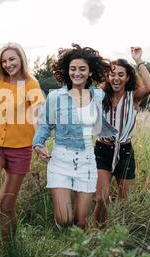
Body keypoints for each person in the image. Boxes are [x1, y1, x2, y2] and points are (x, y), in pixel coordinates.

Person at [33, 44, 117, 230]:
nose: (77, 73)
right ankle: (62, 223)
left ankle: (80, 253)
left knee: (80, 222)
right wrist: (38, 145)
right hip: (60, 161)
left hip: (87, 161)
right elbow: (45, 125)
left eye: (82, 69)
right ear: (67, 71)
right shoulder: (56, 97)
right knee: (65, 219)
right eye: (73, 69)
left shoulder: (98, 95)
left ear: (89, 72)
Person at [0, 43, 44, 245]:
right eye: (4, 61)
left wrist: (39, 143)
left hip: (20, 150)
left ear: (21, 59)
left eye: (12, 59)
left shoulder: (31, 84)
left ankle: (9, 248)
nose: (8, 64)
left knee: (8, 205)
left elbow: (37, 115)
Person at [94, 47, 150, 227]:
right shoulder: (100, 96)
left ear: (127, 77)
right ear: (107, 77)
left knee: (123, 200)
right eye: (112, 74)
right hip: (102, 150)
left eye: (121, 74)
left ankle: (118, 235)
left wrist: (138, 60)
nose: (116, 78)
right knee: (102, 198)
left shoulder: (133, 97)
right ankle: (96, 233)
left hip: (125, 152)